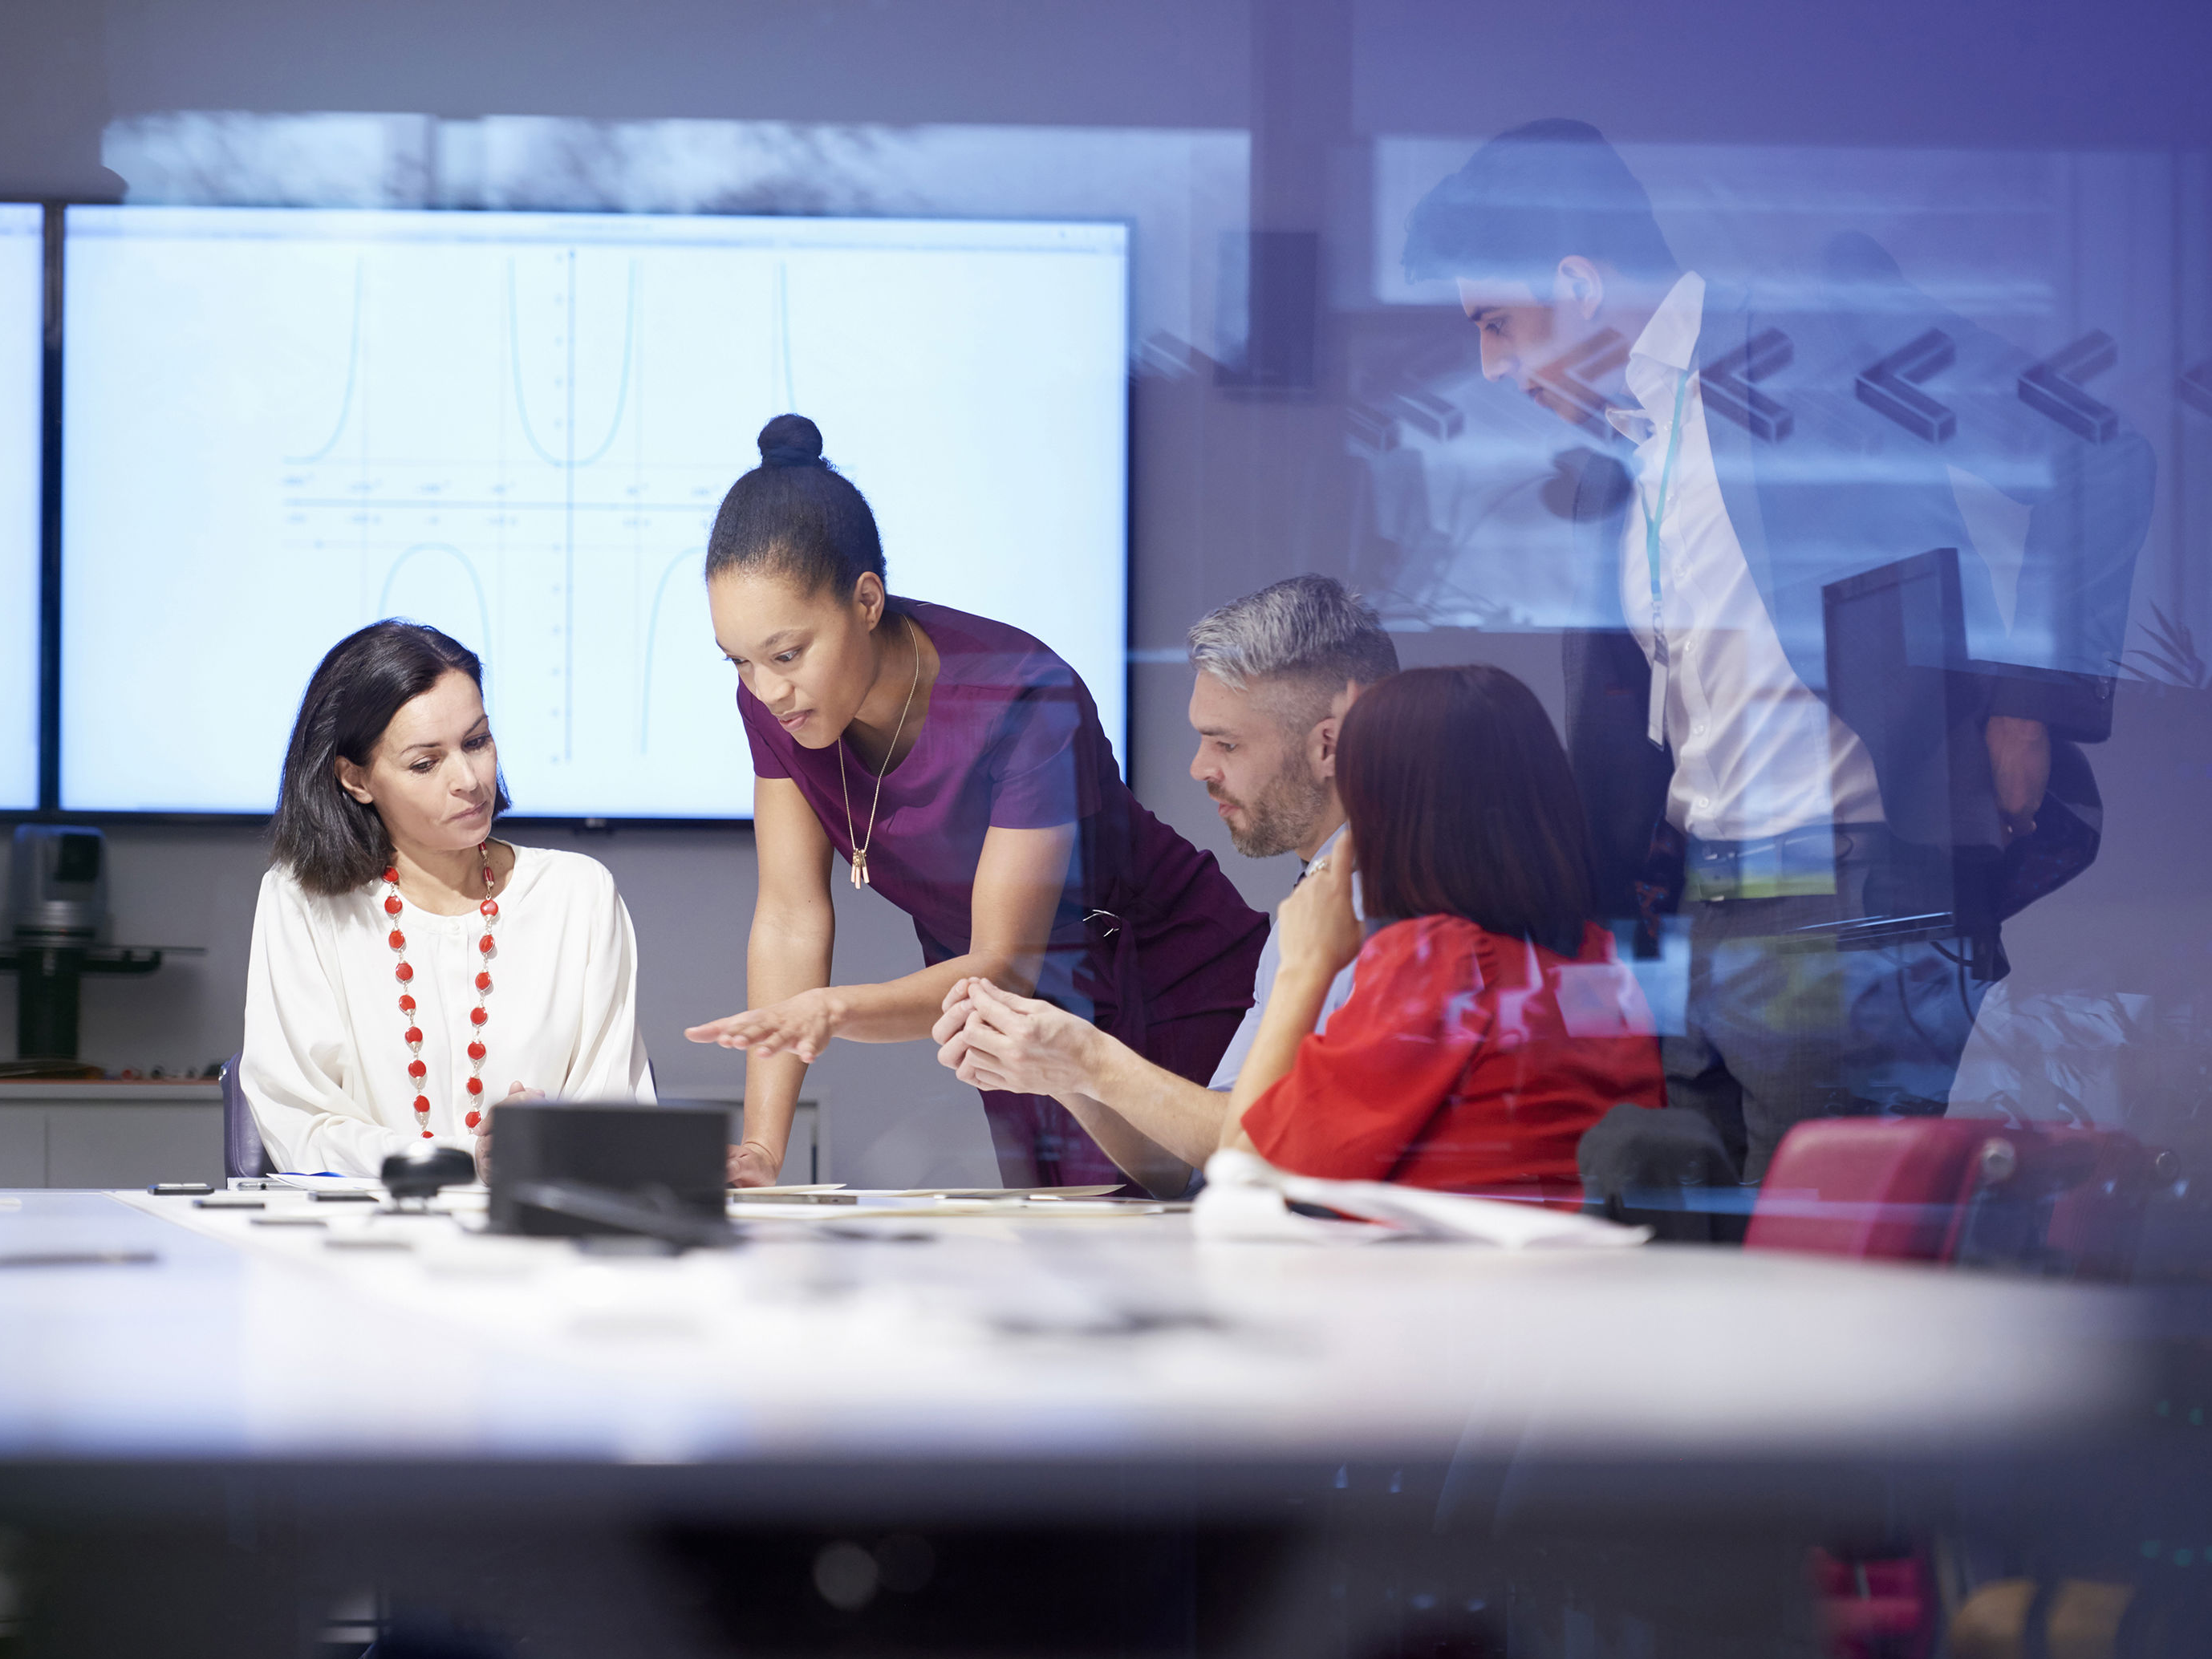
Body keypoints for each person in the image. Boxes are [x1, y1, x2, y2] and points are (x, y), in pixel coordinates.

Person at [1402, 120, 2154, 1182]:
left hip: (1842, 902)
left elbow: (2098, 455)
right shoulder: (1620, 456)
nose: (1491, 366)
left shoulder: (1817, 340)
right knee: (1690, 1275)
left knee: (1814, 1281)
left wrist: (2026, 702)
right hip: (1696, 918)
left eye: (1496, 323)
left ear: (1575, 282)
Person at [684, 415, 1266, 1191]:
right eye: (740, 662)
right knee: (1068, 1263)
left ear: (866, 600)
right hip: (1002, 1017)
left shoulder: (1018, 694)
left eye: (787, 655)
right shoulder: (774, 699)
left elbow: (1004, 963)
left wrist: (831, 1011)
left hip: (1160, 974)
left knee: (1205, 1231)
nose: (766, 689)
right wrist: (761, 1147)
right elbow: (791, 915)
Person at [929, 575, 1398, 1195]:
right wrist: (1063, 1071)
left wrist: (1092, 1059)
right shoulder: (1313, 905)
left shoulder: (1390, 910)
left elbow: (1256, 1152)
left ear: (1328, 746)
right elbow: (1198, 1162)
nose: (1200, 767)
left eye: (1226, 743)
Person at [1218, 665, 1664, 1195]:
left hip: (1449, 1275)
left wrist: (1304, 967)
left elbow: (1243, 1174)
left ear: (1392, 819)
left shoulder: (1441, 965)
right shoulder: (1599, 962)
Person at [242, 621, 651, 1177]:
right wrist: (466, 1160)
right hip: (361, 1245)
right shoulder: (302, 901)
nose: (469, 779)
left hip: (540, 1243)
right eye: (425, 763)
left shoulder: (578, 896)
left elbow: (618, 1118)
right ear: (356, 780)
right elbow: (302, 1126)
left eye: (477, 741)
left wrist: (553, 1138)